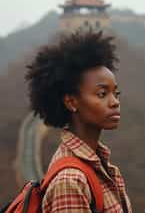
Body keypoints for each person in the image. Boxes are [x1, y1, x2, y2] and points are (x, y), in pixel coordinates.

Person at [25, 30, 132, 213]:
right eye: (102, 94)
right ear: (71, 102)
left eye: (116, 93)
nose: (115, 102)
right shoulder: (70, 182)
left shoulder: (101, 164)